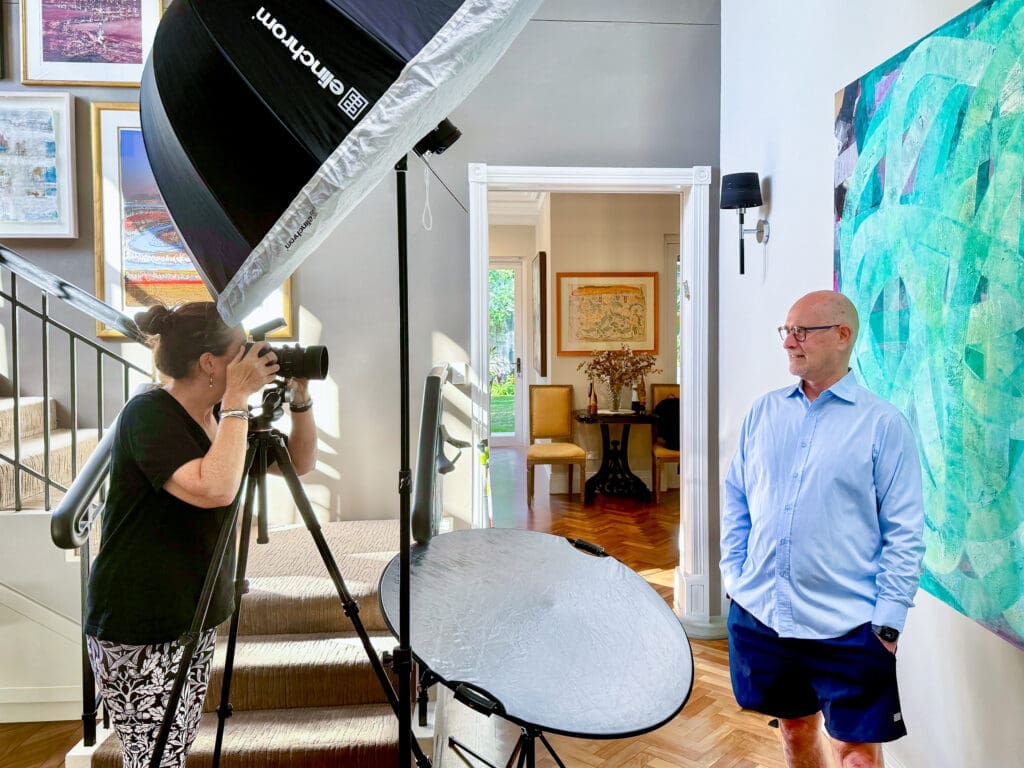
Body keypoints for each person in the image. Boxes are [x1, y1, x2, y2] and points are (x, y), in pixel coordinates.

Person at [83, 301, 318, 768]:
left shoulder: (221, 418)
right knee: (154, 757)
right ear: (210, 363)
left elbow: (302, 462)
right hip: (139, 620)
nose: (252, 359)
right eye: (241, 352)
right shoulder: (149, 414)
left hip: (194, 611)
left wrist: (300, 396)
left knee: (176, 744)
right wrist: (236, 403)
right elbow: (215, 487)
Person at [721, 290, 925, 768]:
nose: (788, 342)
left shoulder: (882, 424)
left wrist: (889, 620)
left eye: (801, 331)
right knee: (793, 732)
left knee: (857, 756)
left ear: (842, 335)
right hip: (765, 615)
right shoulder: (763, 413)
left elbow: (905, 531)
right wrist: (734, 574)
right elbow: (736, 498)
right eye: (785, 331)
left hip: (849, 624)